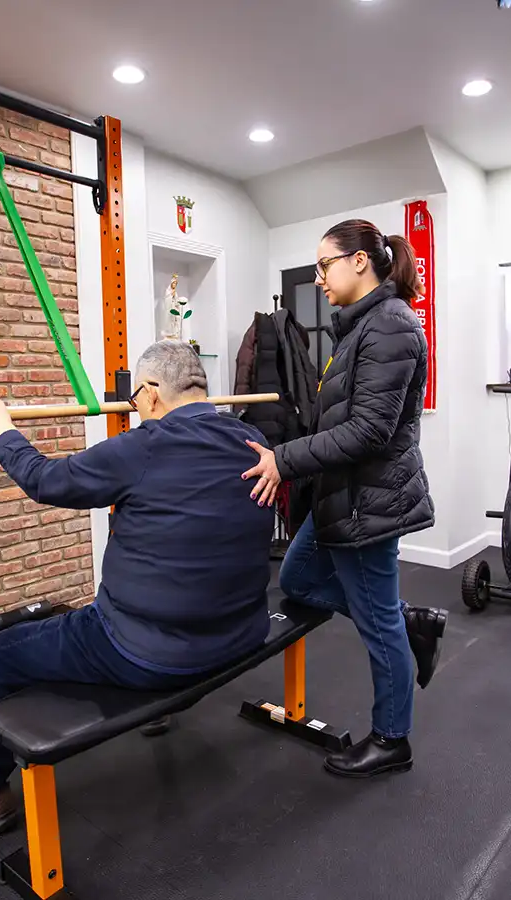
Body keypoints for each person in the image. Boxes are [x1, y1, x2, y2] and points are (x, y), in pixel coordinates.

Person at [0, 340, 276, 834]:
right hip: (242, 632)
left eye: (135, 400)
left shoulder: (144, 447)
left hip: (147, 654)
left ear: (150, 393)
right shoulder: (252, 438)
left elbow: (44, 479)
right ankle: (155, 711)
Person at [242, 218, 445, 779]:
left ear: (360, 261)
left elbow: (368, 431)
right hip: (340, 495)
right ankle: (409, 621)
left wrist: (283, 460)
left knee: (378, 625)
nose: (318, 277)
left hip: (368, 504)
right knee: (298, 578)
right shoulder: (359, 327)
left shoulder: (391, 325)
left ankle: (392, 739)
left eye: (325, 265)